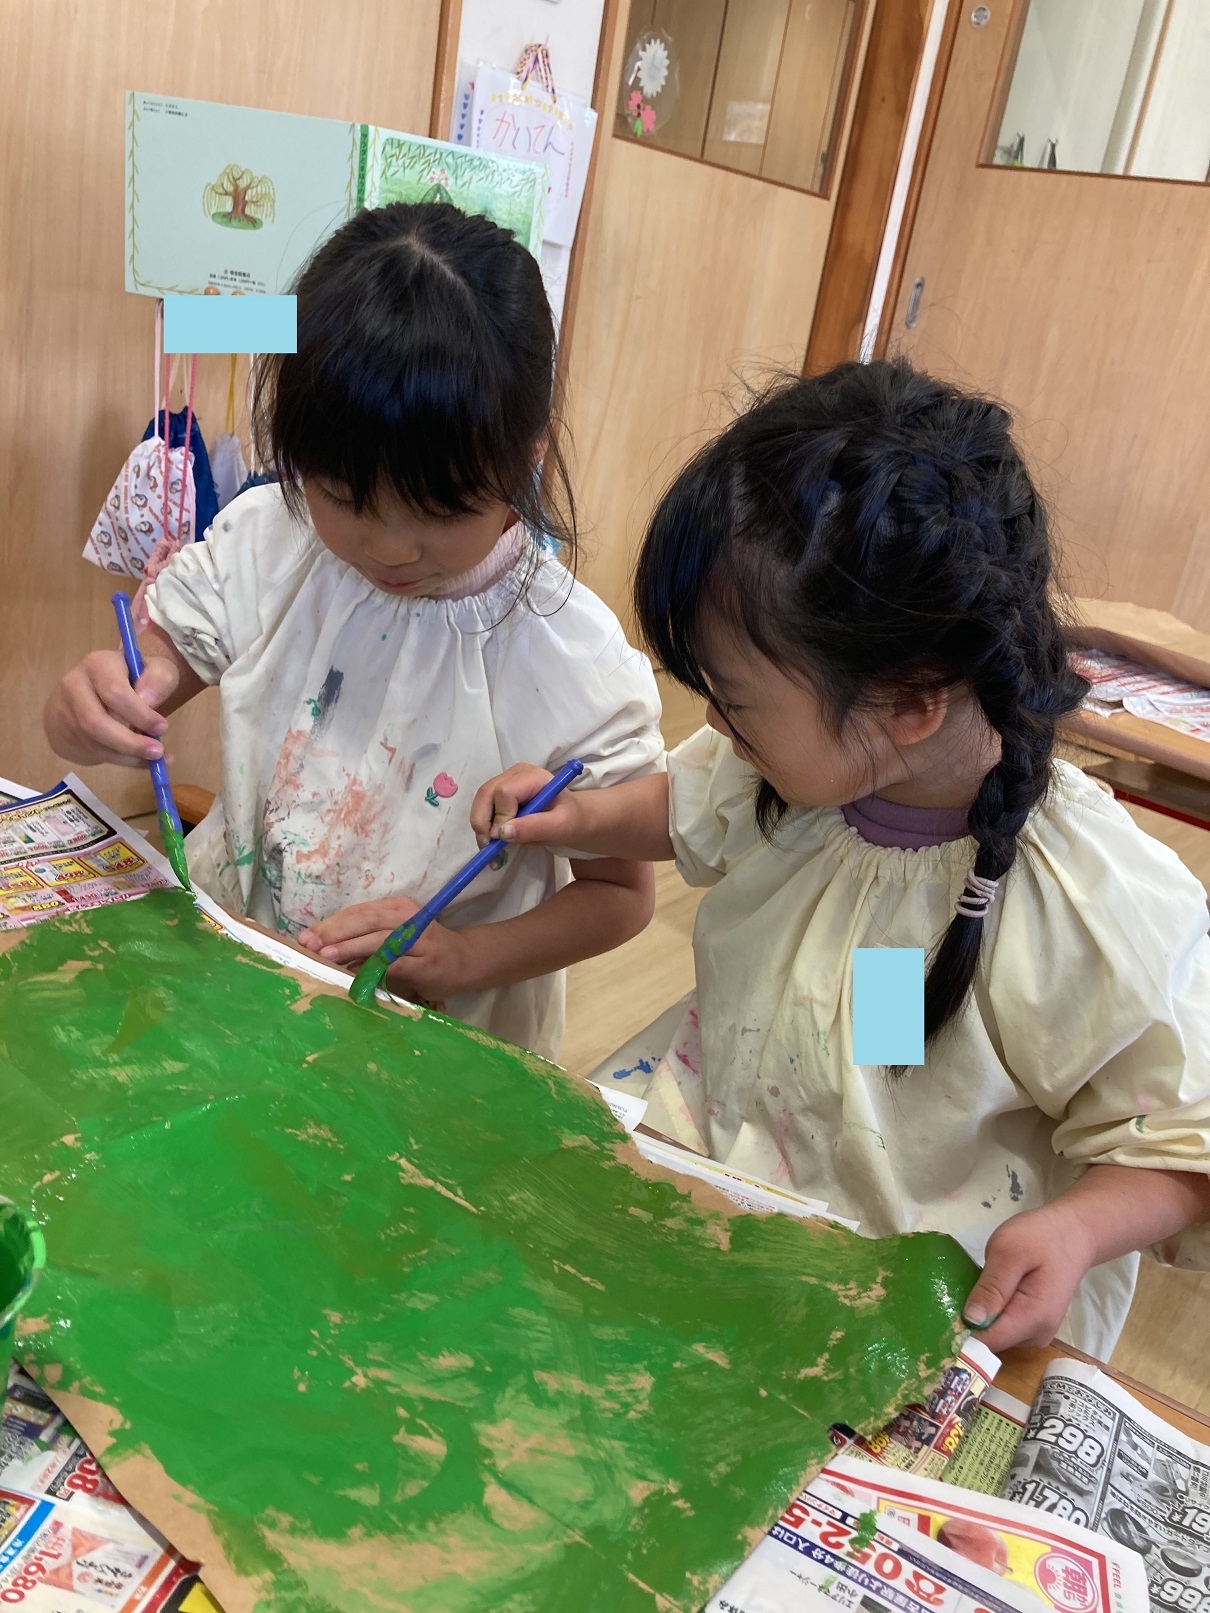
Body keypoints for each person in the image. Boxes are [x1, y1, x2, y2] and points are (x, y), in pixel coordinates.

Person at [470, 359, 1210, 1356]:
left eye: (733, 700)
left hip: (908, 1302)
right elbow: (684, 804)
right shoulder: (796, 771)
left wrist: (1078, 1228)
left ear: (910, 703)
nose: (715, 726)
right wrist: (574, 817)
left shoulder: (1091, 901)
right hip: (726, 1184)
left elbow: (1184, 1137)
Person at [45, 203, 663, 1060]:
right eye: (341, 496)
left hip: (430, 1055)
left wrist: (466, 958)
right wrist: (90, 708)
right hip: (238, 993)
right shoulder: (271, 540)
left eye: (440, 509)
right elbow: (150, 668)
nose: (389, 548)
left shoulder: (574, 660)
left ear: (526, 456)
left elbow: (621, 895)